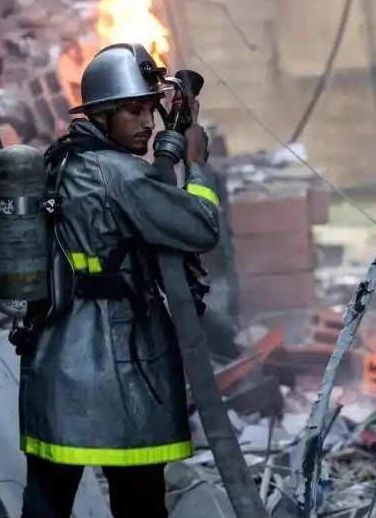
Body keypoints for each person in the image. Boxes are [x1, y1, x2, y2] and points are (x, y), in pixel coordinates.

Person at [18, 43, 220, 517]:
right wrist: (197, 164)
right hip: (121, 362)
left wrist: (168, 149)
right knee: (140, 501)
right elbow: (201, 226)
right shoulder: (121, 175)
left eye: (150, 108)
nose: (147, 122)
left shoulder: (64, 160)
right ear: (101, 115)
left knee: (46, 502)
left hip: (54, 361)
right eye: (132, 110)